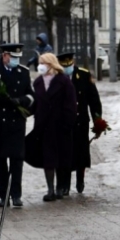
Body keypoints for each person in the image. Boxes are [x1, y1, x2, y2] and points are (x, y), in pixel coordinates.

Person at [0, 42, 33, 208]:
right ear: (5, 55)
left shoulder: (23, 72)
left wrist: (20, 101)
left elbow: (31, 96)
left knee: (16, 160)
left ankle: (16, 194)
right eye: (13, 57)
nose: (17, 61)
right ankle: (3, 196)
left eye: (19, 57)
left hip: (16, 122)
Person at [30, 51, 77, 201]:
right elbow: (36, 103)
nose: (40, 66)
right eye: (39, 63)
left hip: (61, 125)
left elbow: (70, 104)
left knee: (62, 158)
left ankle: (60, 187)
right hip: (44, 126)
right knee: (48, 159)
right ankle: (50, 189)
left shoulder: (64, 81)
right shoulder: (37, 82)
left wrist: (68, 123)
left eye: (43, 63)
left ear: (50, 64)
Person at [59, 50, 104, 195]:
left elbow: (94, 101)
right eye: (64, 65)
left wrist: (98, 121)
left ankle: (80, 179)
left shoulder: (84, 76)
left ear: (74, 63)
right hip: (63, 123)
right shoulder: (56, 77)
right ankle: (64, 184)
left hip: (80, 122)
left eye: (69, 64)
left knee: (80, 153)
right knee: (63, 154)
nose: (67, 68)